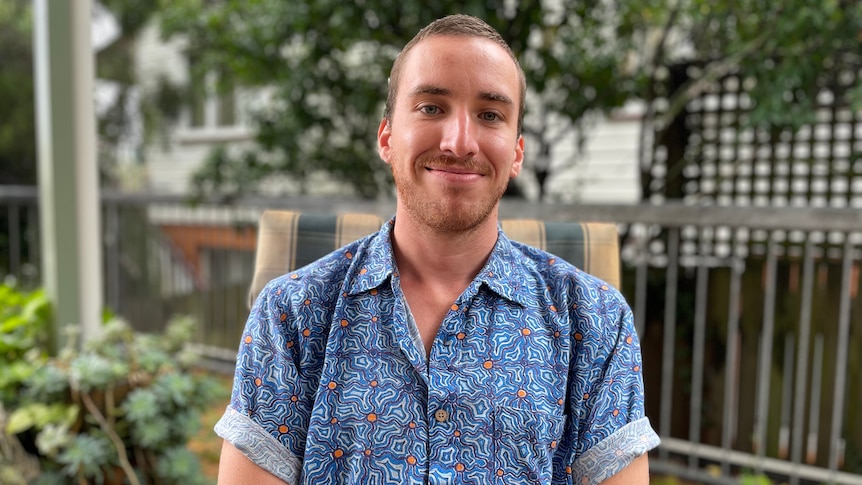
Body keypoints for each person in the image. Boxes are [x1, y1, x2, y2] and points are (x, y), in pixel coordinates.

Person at [215, 14, 660, 485]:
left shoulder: (593, 317)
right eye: (431, 107)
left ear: (517, 153)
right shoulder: (292, 313)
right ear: (387, 137)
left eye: (490, 115)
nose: (459, 142)